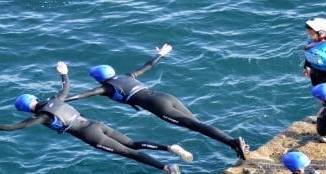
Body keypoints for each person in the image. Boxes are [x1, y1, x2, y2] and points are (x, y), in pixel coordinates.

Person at [0, 61, 187, 174]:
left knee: (129, 153)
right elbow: (66, 89)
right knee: (132, 143)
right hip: (96, 124)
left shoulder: (42, 117)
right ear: (34, 99)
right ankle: (169, 148)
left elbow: (14, 127)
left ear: (25, 109)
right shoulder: (55, 100)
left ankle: (166, 168)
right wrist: (64, 73)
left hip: (90, 135)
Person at [64, 44, 249, 161]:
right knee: (197, 124)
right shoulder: (127, 76)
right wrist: (160, 54)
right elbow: (148, 66)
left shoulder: (107, 88)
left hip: (159, 106)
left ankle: (233, 142)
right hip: (165, 97)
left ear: (98, 79)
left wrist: (61, 100)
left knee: (196, 126)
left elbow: (84, 95)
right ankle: (232, 144)